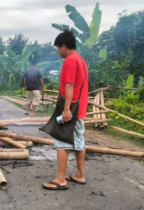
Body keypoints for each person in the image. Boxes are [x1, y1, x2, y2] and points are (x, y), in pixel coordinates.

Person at [42, 30, 89, 190]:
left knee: (61, 142)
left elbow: (69, 86)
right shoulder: (81, 60)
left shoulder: (70, 61)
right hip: (80, 108)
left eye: (58, 48)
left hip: (71, 108)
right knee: (79, 142)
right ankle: (79, 175)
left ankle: (61, 179)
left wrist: (66, 109)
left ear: (63, 46)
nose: (58, 51)